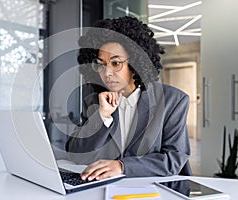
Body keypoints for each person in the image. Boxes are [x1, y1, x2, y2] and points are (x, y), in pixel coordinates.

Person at [65, 16, 191, 181]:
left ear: (135, 63)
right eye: (101, 64)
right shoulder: (94, 99)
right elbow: (76, 154)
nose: (107, 73)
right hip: (105, 188)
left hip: (155, 189)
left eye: (116, 63)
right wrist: (102, 116)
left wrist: (122, 166)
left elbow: (174, 160)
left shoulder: (173, 101)